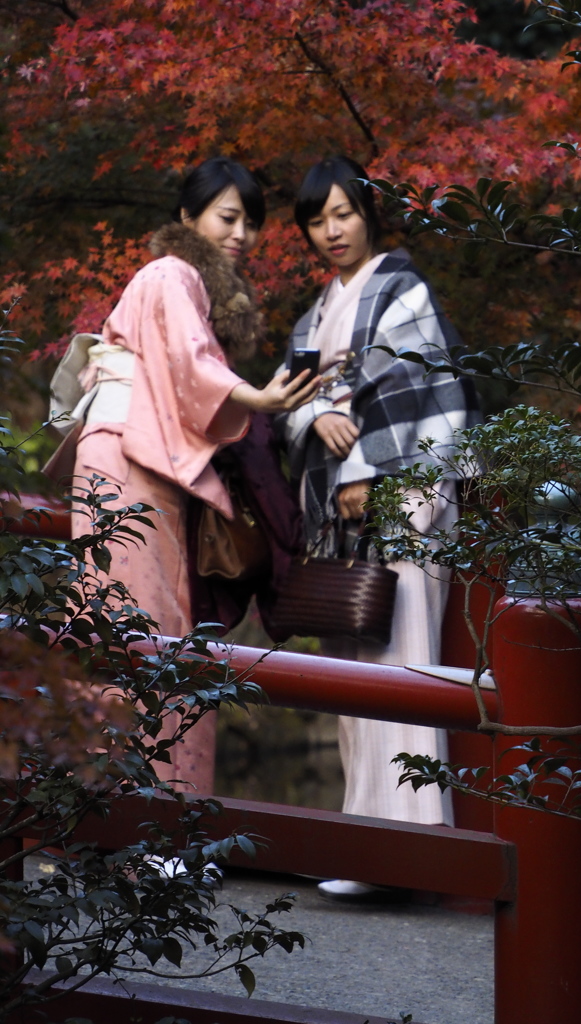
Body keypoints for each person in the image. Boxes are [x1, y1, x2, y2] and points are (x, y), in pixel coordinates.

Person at [66, 156, 319, 794]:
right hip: (129, 456)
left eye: (251, 223)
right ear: (188, 217)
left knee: (129, 631)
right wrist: (257, 398)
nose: (241, 234)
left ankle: (117, 818)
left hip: (124, 452)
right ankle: (155, 829)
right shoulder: (173, 272)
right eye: (227, 217)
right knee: (150, 636)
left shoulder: (177, 281)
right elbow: (190, 360)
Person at [276, 155, 480, 902]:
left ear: (368, 212)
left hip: (402, 488)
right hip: (343, 513)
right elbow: (290, 399)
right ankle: (367, 840)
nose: (332, 231)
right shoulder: (317, 311)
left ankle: (414, 850)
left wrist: (362, 462)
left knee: (403, 663)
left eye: (343, 213)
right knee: (355, 677)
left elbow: (418, 383)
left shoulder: (401, 286)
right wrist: (316, 414)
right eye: (317, 220)